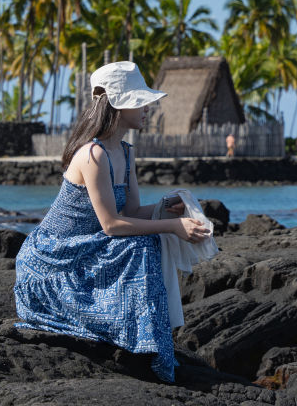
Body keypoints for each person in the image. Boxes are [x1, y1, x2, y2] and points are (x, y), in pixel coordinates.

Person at [14, 61, 211, 383]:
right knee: (142, 245)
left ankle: (153, 336)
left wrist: (166, 208)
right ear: (118, 106)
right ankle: (143, 338)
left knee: (149, 240)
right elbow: (111, 225)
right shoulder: (92, 154)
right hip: (55, 257)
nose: (149, 108)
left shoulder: (125, 151)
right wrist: (172, 226)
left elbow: (130, 212)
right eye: (140, 101)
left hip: (87, 246)